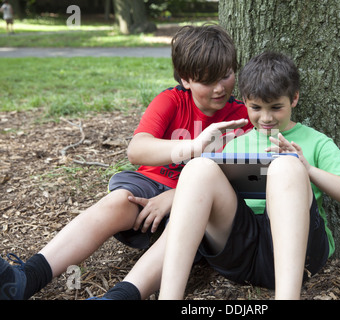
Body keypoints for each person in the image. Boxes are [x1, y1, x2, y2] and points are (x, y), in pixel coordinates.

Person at [0, 24, 252, 300]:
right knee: (118, 201)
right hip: (148, 192)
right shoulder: (172, 101)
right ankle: (25, 279)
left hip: (200, 209)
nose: (220, 88)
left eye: (226, 75)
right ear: (185, 79)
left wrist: (176, 196)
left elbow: (242, 180)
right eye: (208, 80)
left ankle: (119, 297)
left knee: (182, 224)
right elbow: (137, 150)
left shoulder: (242, 117)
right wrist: (193, 146)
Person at [158, 51, 340, 300]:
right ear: (246, 101)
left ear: (294, 99)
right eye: (256, 108)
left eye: (276, 107)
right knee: (198, 167)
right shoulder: (237, 142)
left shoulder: (316, 142)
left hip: (300, 255)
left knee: (286, 165)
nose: (266, 118)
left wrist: (307, 169)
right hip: (240, 251)